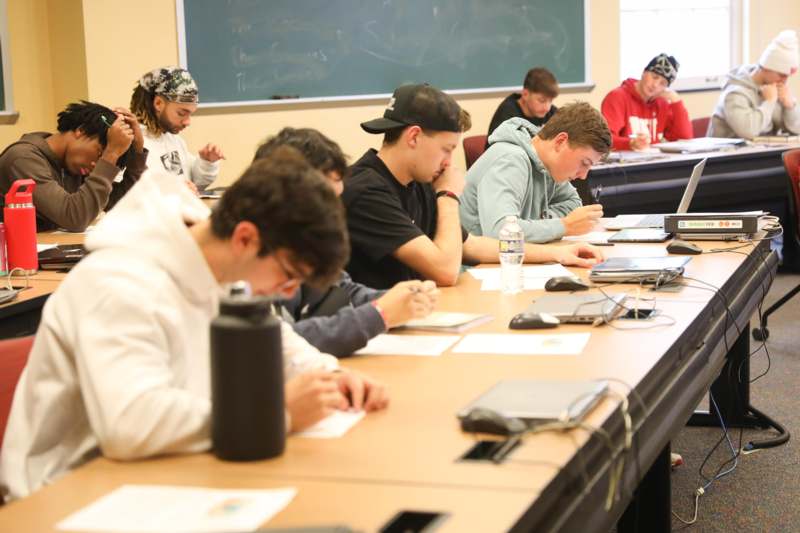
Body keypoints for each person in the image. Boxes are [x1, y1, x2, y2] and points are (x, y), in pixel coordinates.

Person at [0, 148, 388, 501]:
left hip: (158, 473)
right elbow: (131, 425)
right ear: (245, 238)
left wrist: (328, 374)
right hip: (65, 492)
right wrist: (274, 412)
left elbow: (273, 334)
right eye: (288, 275)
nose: (286, 292)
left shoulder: (216, 257)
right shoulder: (119, 282)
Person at [343, 83, 605, 290]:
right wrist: (447, 195)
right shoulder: (368, 190)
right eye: (446, 149)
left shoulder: (416, 181)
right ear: (413, 137)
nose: (449, 162)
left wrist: (557, 255)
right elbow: (445, 271)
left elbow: (473, 246)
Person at [254, 127, 439, 357]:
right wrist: (380, 314)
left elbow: (341, 290)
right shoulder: (249, 254)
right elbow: (278, 343)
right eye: (325, 201)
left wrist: (403, 299)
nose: (334, 213)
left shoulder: (301, 238)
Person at [461, 103, 611, 244]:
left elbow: (573, 205)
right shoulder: (510, 160)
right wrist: (563, 226)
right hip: (472, 267)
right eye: (584, 163)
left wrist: (531, 223)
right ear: (560, 142)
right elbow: (501, 232)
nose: (583, 175)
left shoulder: (548, 167)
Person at [0, 101, 145, 232]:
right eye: (100, 153)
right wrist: (110, 154)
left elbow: (119, 205)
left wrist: (137, 152)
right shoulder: (23, 159)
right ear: (81, 130)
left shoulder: (72, 164)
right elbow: (75, 218)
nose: (97, 165)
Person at [130, 66, 224, 192]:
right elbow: (131, 195)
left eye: (190, 114)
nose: (187, 122)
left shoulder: (174, 140)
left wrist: (207, 162)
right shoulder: (133, 142)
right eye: (181, 113)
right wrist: (174, 192)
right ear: (158, 103)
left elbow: (194, 184)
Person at [709, 30, 800, 138]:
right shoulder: (734, 94)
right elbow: (748, 132)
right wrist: (769, 102)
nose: (785, 81)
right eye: (781, 75)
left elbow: (797, 130)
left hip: (764, 152)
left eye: (787, 76)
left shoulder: (776, 88)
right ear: (766, 67)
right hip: (730, 153)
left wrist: (790, 106)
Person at [601, 53, 692, 151]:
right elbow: (604, 140)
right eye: (654, 77)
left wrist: (676, 101)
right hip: (624, 162)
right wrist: (630, 143)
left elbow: (684, 140)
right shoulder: (617, 97)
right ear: (644, 72)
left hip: (652, 162)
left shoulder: (662, 104)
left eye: (663, 83)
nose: (655, 85)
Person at [487, 67, 559, 141]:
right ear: (525, 94)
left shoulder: (551, 113)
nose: (547, 108)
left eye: (550, 101)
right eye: (541, 100)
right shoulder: (507, 116)